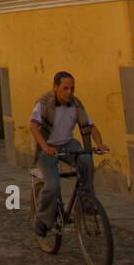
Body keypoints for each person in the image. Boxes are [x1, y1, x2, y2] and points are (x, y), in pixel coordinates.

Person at [30, 71, 109, 236]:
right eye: (65, 88)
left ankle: (86, 202)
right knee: (53, 185)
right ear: (55, 87)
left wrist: (99, 144)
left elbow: (90, 126)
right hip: (48, 147)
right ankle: (43, 220)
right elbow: (33, 127)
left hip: (68, 144)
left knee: (86, 160)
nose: (69, 92)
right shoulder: (44, 103)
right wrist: (45, 147)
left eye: (72, 88)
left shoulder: (76, 104)